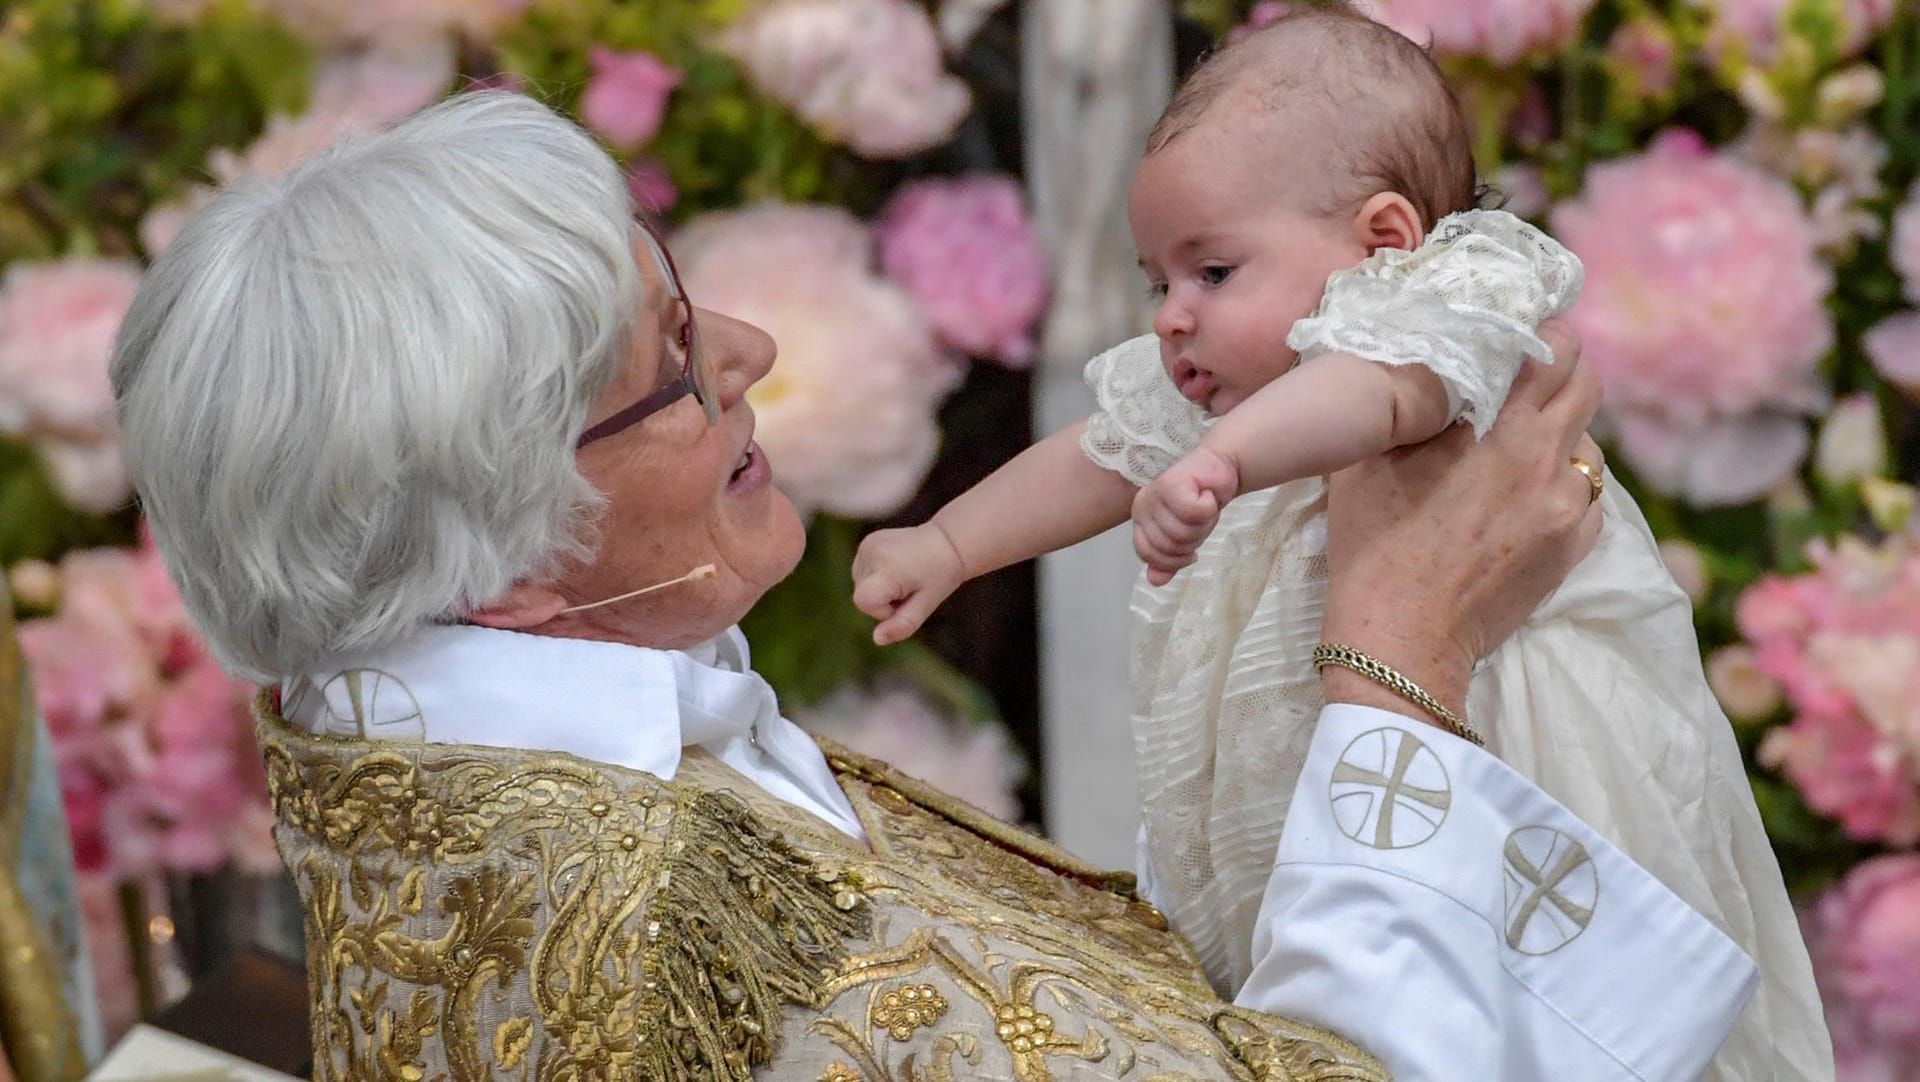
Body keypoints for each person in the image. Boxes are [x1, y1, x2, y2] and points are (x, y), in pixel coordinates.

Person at [110, 90, 1753, 1082]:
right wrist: (1400, 645)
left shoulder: (412, 746)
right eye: (678, 366)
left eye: (688, 299)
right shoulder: (660, 937)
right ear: (514, 557)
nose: (747, 351)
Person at [850, 7, 1828, 1080]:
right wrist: (949, 544)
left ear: (1386, 243)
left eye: (1212, 271)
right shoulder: (1233, 385)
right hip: (1322, 751)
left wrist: (1224, 461)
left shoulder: (1443, 308)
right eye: (1157, 281)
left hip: (1507, 748)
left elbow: (1377, 394)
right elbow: (1095, 452)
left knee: (1513, 995)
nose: (1174, 314)